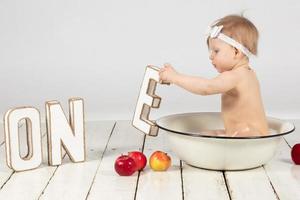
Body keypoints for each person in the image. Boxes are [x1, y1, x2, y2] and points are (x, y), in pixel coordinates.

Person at [159, 15, 269, 137]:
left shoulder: (236, 76)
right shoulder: (248, 73)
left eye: (216, 51)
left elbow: (207, 87)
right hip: (247, 132)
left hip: (250, 134)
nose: (210, 56)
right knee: (207, 134)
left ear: (236, 52)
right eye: (210, 51)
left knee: (214, 141)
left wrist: (175, 77)